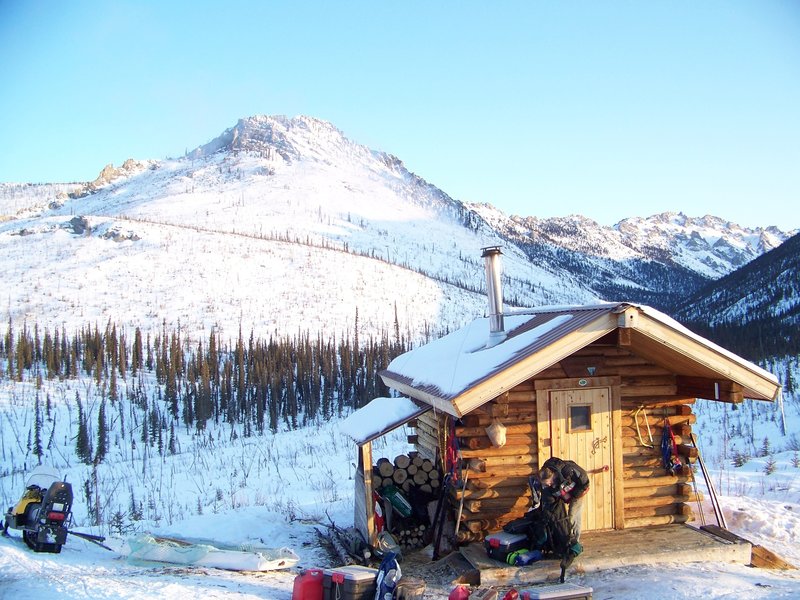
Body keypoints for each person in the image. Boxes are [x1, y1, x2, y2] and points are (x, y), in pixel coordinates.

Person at [538, 456, 590, 542]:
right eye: (545, 485)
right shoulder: (546, 483)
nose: (548, 485)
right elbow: (548, 500)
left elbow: (584, 480)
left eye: (549, 483)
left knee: (572, 516)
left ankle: (574, 541)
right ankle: (561, 539)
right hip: (561, 492)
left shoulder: (568, 470)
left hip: (578, 489)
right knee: (557, 516)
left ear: (553, 476)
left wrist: (574, 496)